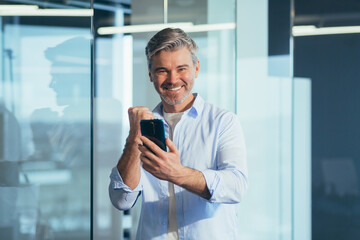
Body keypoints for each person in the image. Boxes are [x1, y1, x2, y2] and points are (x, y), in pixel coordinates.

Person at [109, 28, 248, 240]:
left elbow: (236, 187)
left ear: (196, 68)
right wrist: (133, 138)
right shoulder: (143, 126)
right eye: (162, 70)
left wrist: (177, 173)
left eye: (181, 69)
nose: (173, 80)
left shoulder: (223, 122)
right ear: (150, 75)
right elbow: (121, 200)